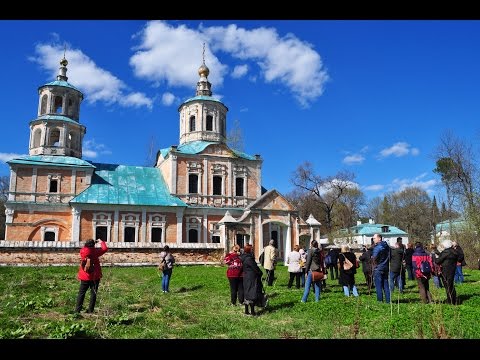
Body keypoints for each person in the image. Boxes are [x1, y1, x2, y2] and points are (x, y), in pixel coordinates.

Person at [75, 238, 108, 314]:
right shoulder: (95, 252)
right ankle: (90, 310)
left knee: (81, 293)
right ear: (94, 245)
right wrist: (101, 242)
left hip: (84, 275)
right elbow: (105, 248)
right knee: (93, 293)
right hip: (95, 276)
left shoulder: (82, 251)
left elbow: (85, 252)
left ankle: (77, 310)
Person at [240, 244, 263, 316]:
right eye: (252, 249)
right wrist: (260, 273)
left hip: (246, 277)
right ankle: (252, 312)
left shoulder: (244, 257)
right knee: (251, 293)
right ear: (249, 250)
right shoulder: (249, 259)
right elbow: (255, 268)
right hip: (251, 277)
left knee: (247, 293)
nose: (253, 250)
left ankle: (246, 311)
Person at [434, 239, 459, 305]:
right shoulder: (454, 252)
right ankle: (454, 299)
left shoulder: (446, 252)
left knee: (447, 286)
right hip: (452, 270)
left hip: (445, 271)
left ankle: (450, 301)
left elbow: (438, 261)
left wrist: (436, 257)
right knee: (451, 285)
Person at [371, 233, 390, 303]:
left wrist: (374, 265)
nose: (373, 240)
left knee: (378, 285)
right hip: (385, 267)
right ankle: (388, 300)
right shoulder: (387, 247)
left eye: (374, 238)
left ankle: (380, 300)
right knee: (386, 284)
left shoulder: (377, 247)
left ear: (379, 238)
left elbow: (374, 258)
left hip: (378, 268)